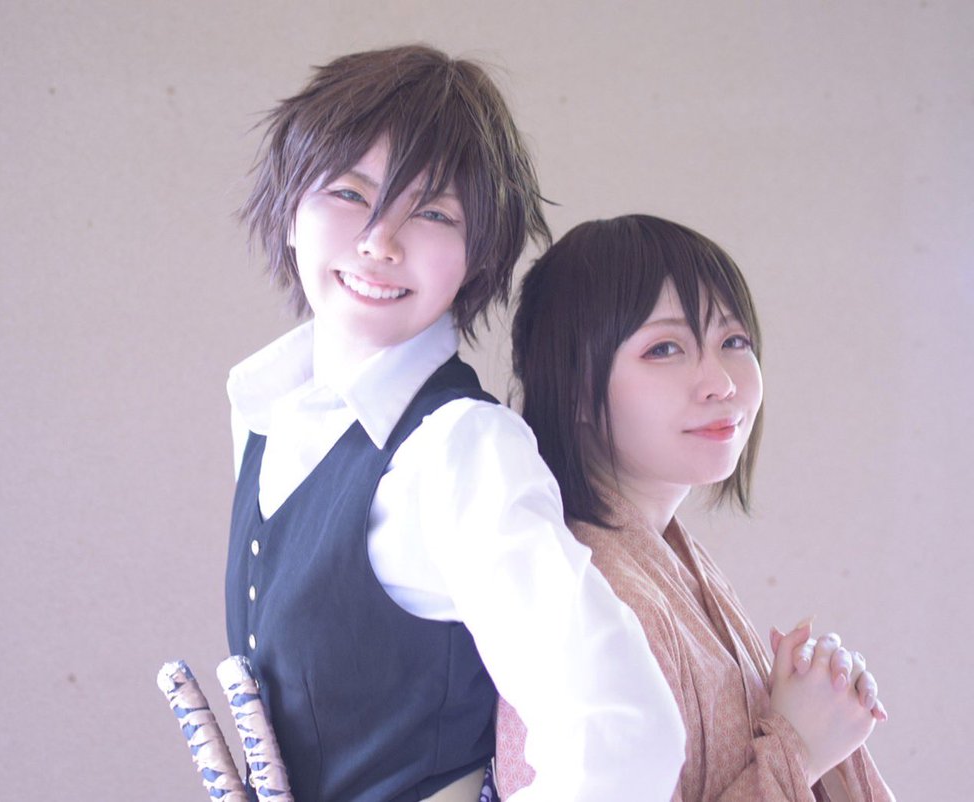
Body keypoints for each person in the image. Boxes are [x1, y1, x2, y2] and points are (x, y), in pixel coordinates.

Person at [225, 47, 685, 802]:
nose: (380, 240)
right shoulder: (267, 412)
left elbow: (626, 736)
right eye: (349, 192)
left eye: (434, 212)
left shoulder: (460, 448)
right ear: (290, 206)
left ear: (478, 257)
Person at [497, 214, 894, 800]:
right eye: (664, 348)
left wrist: (812, 705)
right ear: (574, 385)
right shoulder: (591, 592)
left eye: (733, 341)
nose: (721, 383)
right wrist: (798, 747)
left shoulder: (667, 554)